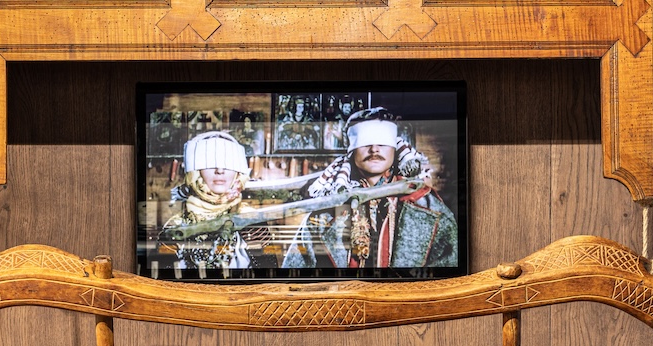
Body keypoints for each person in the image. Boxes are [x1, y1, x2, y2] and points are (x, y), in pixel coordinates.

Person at [282, 107, 458, 276]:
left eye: (382, 141)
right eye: (365, 142)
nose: (374, 149)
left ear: (395, 146)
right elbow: (295, 277)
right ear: (351, 149)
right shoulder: (324, 214)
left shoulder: (430, 211)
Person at [159, 131, 268, 278]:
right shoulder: (175, 225)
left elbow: (267, 274)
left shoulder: (250, 220)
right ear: (196, 172)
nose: (220, 171)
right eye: (210, 163)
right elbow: (163, 279)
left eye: (227, 164)